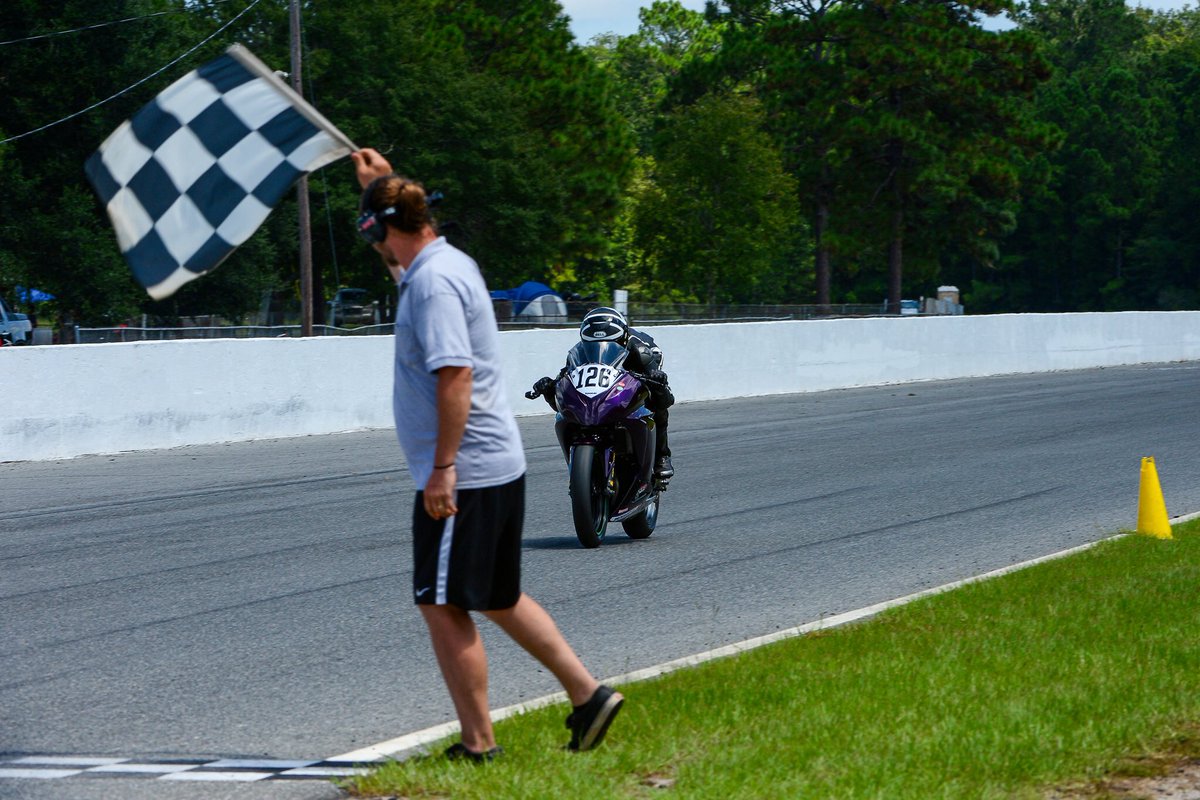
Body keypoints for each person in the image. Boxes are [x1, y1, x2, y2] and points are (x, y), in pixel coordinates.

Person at [350, 147, 623, 760]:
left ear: (383, 229)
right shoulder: (440, 267)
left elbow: (455, 376)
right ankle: (588, 696)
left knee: (441, 602)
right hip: (494, 464)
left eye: (374, 234)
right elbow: (402, 269)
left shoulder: (435, 284)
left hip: (465, 472)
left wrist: (443, 468)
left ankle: (478, 745)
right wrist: (379, 185)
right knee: (497, 595)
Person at [532, 306, 675, 481]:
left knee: (656, 400)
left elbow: (667, 398)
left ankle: (662, 456)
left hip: (640, 369)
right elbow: (566, 384)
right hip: (605, 388)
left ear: (622, 336)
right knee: (565, 416)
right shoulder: (579, 352)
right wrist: (550, 389)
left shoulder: (639, 347)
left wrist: (656, 379)